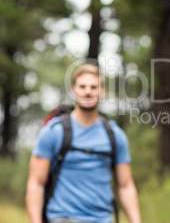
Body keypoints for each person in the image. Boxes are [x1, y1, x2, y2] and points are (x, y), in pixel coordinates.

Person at [26, 63, 142, 223]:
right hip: (63, 217)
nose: (88, 91)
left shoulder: (115, 135)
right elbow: (36, 183)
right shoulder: (54, 132)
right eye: (82, 86)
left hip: (103, 219)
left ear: (102, 91)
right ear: (74, 89)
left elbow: (126, 185)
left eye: (94, 87)